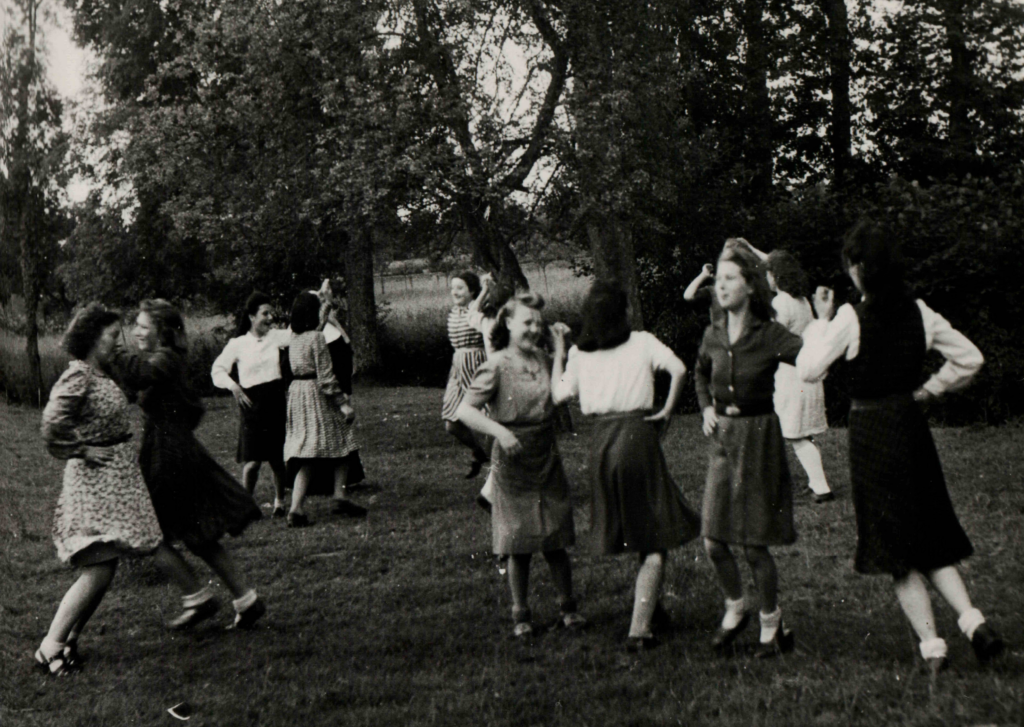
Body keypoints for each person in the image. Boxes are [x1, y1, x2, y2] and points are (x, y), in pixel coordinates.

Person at [797, 219, 1004, 673]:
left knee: (894, 546)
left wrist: (823, 320)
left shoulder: (851, 318)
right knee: (928, 532)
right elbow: (971, 358)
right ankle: (973, 622)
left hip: (872, 430)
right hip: (911, 426)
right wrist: (931, 389)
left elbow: (809, 369)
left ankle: (933, 648)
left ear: (855, 269)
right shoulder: (921, 312)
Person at [551, 282, 700, 651]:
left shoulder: (581, 355)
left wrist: (559, 353)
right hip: (637, 436)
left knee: (639, 526)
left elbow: (558, 395)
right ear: (624, 313)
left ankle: (653, 608)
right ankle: (639, 630)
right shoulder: (643, 341)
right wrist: (666, 410)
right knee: (654, 538)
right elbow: (680, 369)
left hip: (601, 442)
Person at [113, 299, 266, 631]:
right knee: (198, 534)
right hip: (175, 449)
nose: (136, 331)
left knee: (147, 529)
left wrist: (110, 350)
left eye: (142, 326)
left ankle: (197, 598)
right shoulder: (166, 358)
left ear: (162, 332)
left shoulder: (165, 358)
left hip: (168, 455)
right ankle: (246, 599)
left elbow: (140, 375)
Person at [35, 305, 166, 676]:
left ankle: (69, 639)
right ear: (93, 337)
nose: (117, 343)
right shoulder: (79, 374)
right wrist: (79, 449)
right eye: (112, 336)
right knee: (98, 569)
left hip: (111, 483)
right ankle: (50, 647)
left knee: (104, 567)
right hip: (93, 484)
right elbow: (51, 424)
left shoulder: (99, 372)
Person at [695, 245, 804, 658]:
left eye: (728, 279)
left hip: (759, 439)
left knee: (754, 544)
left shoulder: (769, 333)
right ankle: (735, 605)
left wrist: (829, 329)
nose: (719, 285)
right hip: (724, 438)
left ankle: (772, 624)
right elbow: (700, 373)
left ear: (750, 285)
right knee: (713, 540)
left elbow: (810, 358)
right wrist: (706, 406)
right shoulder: (713, 331)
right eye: (717, 279)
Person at [456, 293, 583, 638]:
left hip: (545, 455)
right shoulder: (495, 364)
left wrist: (559, 350)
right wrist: (499, 432)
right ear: (508, 323)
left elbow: (558, 394)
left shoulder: (542, 358)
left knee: (555, 536)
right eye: (527, 322)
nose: (533, 329)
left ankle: (568, 608)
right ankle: (521, 614)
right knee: (518, 541)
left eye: (537, 323)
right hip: (512, 460)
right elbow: (464, 411)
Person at [284, 291, 365, 526]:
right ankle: (337, 495)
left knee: (307, 451)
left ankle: (297, 508)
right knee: (343, 440)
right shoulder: (317, 339)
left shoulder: (295, 338)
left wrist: (326, 305)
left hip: (297, 394)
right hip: (316, 393)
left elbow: (316, 329)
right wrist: (343, 403)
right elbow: (326, 377)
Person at [211, 292, 290, 517]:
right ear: (251, 316)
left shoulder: (275, 337)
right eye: (265, 313)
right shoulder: (238, 344)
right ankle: (246, 503)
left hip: (274, 400)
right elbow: (217, 370)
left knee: (276, 457)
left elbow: (300, 333)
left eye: (271, 313)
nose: (270, 318)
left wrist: (320, 305)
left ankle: (280, 502)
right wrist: (234, 387)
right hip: (251, 405)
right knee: (252, 460)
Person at [765, 251, 833, 503]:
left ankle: (821, 487)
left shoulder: (782, 303)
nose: (766, 278)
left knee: (794, 433)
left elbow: (772, 338)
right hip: (806, 373)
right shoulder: (802, 300)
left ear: (777, 276)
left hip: (791, 376)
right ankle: (816, 483)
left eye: (769, 273)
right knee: (800, 432)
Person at [314, 279, 367, 504]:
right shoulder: (313, 332)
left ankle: (344, 479)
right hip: (322, 386)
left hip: (338, 380)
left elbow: (346, 349)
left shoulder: (333, 331)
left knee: (340, 428)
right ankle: (323, 482)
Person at [466, 274, 513, 511]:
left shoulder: (485, 321)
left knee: (502, 435)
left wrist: (483, 290)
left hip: (494, 380)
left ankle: (491, 490)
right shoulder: (507, 324)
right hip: (507, 378)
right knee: (509, 435)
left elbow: (471, 312)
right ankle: (490, 492)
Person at [442, 271, 491, 478]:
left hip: (477, 366)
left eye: (460, 288)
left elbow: (475, 310)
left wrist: (485, 288)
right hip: (458, 368)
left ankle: (498, 466)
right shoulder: (454, 312)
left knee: (491, 418)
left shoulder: (478, 309)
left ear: (472, 291)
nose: (455, 292)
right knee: (451, 423)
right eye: (453, 288)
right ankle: (478, 452)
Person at [684, 238, 769, 327]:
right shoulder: (715, 290)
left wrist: (752, 248)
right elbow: (688, 295)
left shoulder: (750, 288)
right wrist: (703, 275)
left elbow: (774, 266)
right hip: (721, 339)